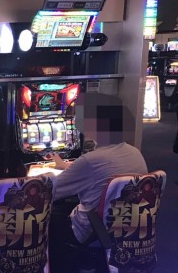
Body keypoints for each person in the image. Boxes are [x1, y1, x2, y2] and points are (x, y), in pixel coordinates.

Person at [48, 93, 148, 253]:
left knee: (42, 215)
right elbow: (102, 172)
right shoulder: (135, 152)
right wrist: (66, 166)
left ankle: (62, 261)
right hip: (126, 224)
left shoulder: (90, 161)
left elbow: (49, 191)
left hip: (90, 228)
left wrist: (39, 177)